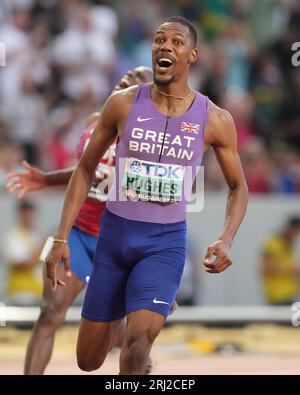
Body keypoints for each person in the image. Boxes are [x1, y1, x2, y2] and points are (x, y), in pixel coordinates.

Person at [45, 16, 248, 375]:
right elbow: (85, 169)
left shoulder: (215, 119)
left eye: (176, 42)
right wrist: (61, 237)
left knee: (138, 346)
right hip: (114, 239)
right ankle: (130, 301)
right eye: (159, 40)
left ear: (192, 55)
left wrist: (227, 238)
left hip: (164, 245)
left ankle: (147, 301)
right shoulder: (122, 104)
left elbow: (238, 186)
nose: (165, 46)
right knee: (88, 361)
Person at [6, 67, 154, 375]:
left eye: (139, 78)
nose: (127, 78)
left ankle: (139, 358)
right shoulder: (95, 123)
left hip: (116, 242)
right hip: (78, 234)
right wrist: (46, 179)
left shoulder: (149, 135)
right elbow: (85, 170)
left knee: (111, 339)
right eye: (126, 75)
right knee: (49, 313)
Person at [1, 200, 42, 306]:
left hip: (37, 293)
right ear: (20, 214)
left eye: (31, 213)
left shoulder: (35, 235)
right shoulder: (13, 236)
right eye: (26, 213)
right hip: (20, 295)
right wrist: (44, 246)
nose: (29, 217)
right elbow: (24, 264)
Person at [261, 216, 300, 305]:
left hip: (290, 294)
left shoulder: (288, 244)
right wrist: (292, 270)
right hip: (278, 296)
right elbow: (266, 268)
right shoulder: (273, 243)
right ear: (291, 229)